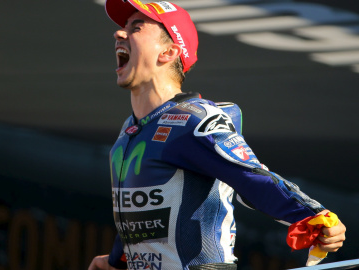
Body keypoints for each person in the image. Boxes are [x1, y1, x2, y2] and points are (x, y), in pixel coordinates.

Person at [88, 1, 346, 269]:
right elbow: (140, 220)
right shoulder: (130, 129)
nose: (119, 33)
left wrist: (315, 215)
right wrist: (116, 261)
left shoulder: (193, 119)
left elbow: (250, 177)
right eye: (123, 28)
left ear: (168, 51)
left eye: (136, 28)